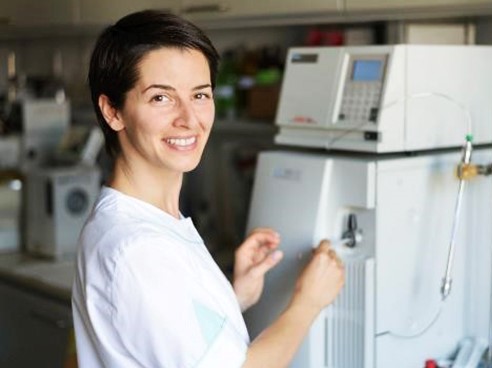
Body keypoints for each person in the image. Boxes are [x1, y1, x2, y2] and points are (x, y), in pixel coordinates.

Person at [71, 9, 345, 368]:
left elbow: (164, 339)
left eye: (200, 95)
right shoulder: (139, 250)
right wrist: (308, 302)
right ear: (113, 111)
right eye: (161, 98)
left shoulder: (147, 222)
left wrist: (232, 296)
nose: (189, 119)